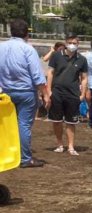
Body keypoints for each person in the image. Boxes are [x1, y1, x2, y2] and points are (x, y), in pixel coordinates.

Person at [0, 19, 51, 168]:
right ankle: (25, 158)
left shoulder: (1, 47)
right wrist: (45, 94)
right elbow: (37, 75)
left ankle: (7, 153)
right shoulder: (28, 49)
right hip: (25, 92)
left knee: (6, 126)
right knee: (23, 125)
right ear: (26, 33)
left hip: (6, 92)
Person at [47, 34, 88, 156]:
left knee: (71, 121)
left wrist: (83, 94)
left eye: (75, 43)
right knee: (57, 120)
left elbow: (84, 78)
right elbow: (50, 73)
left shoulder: (82, 59)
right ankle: (59, 144)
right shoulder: (56, 56)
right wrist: (49, 91)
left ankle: (71, 146)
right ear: (65, 43)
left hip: (73, 94)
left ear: (78, 44)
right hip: (57, 92)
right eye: (70, 42)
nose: (72, 45)